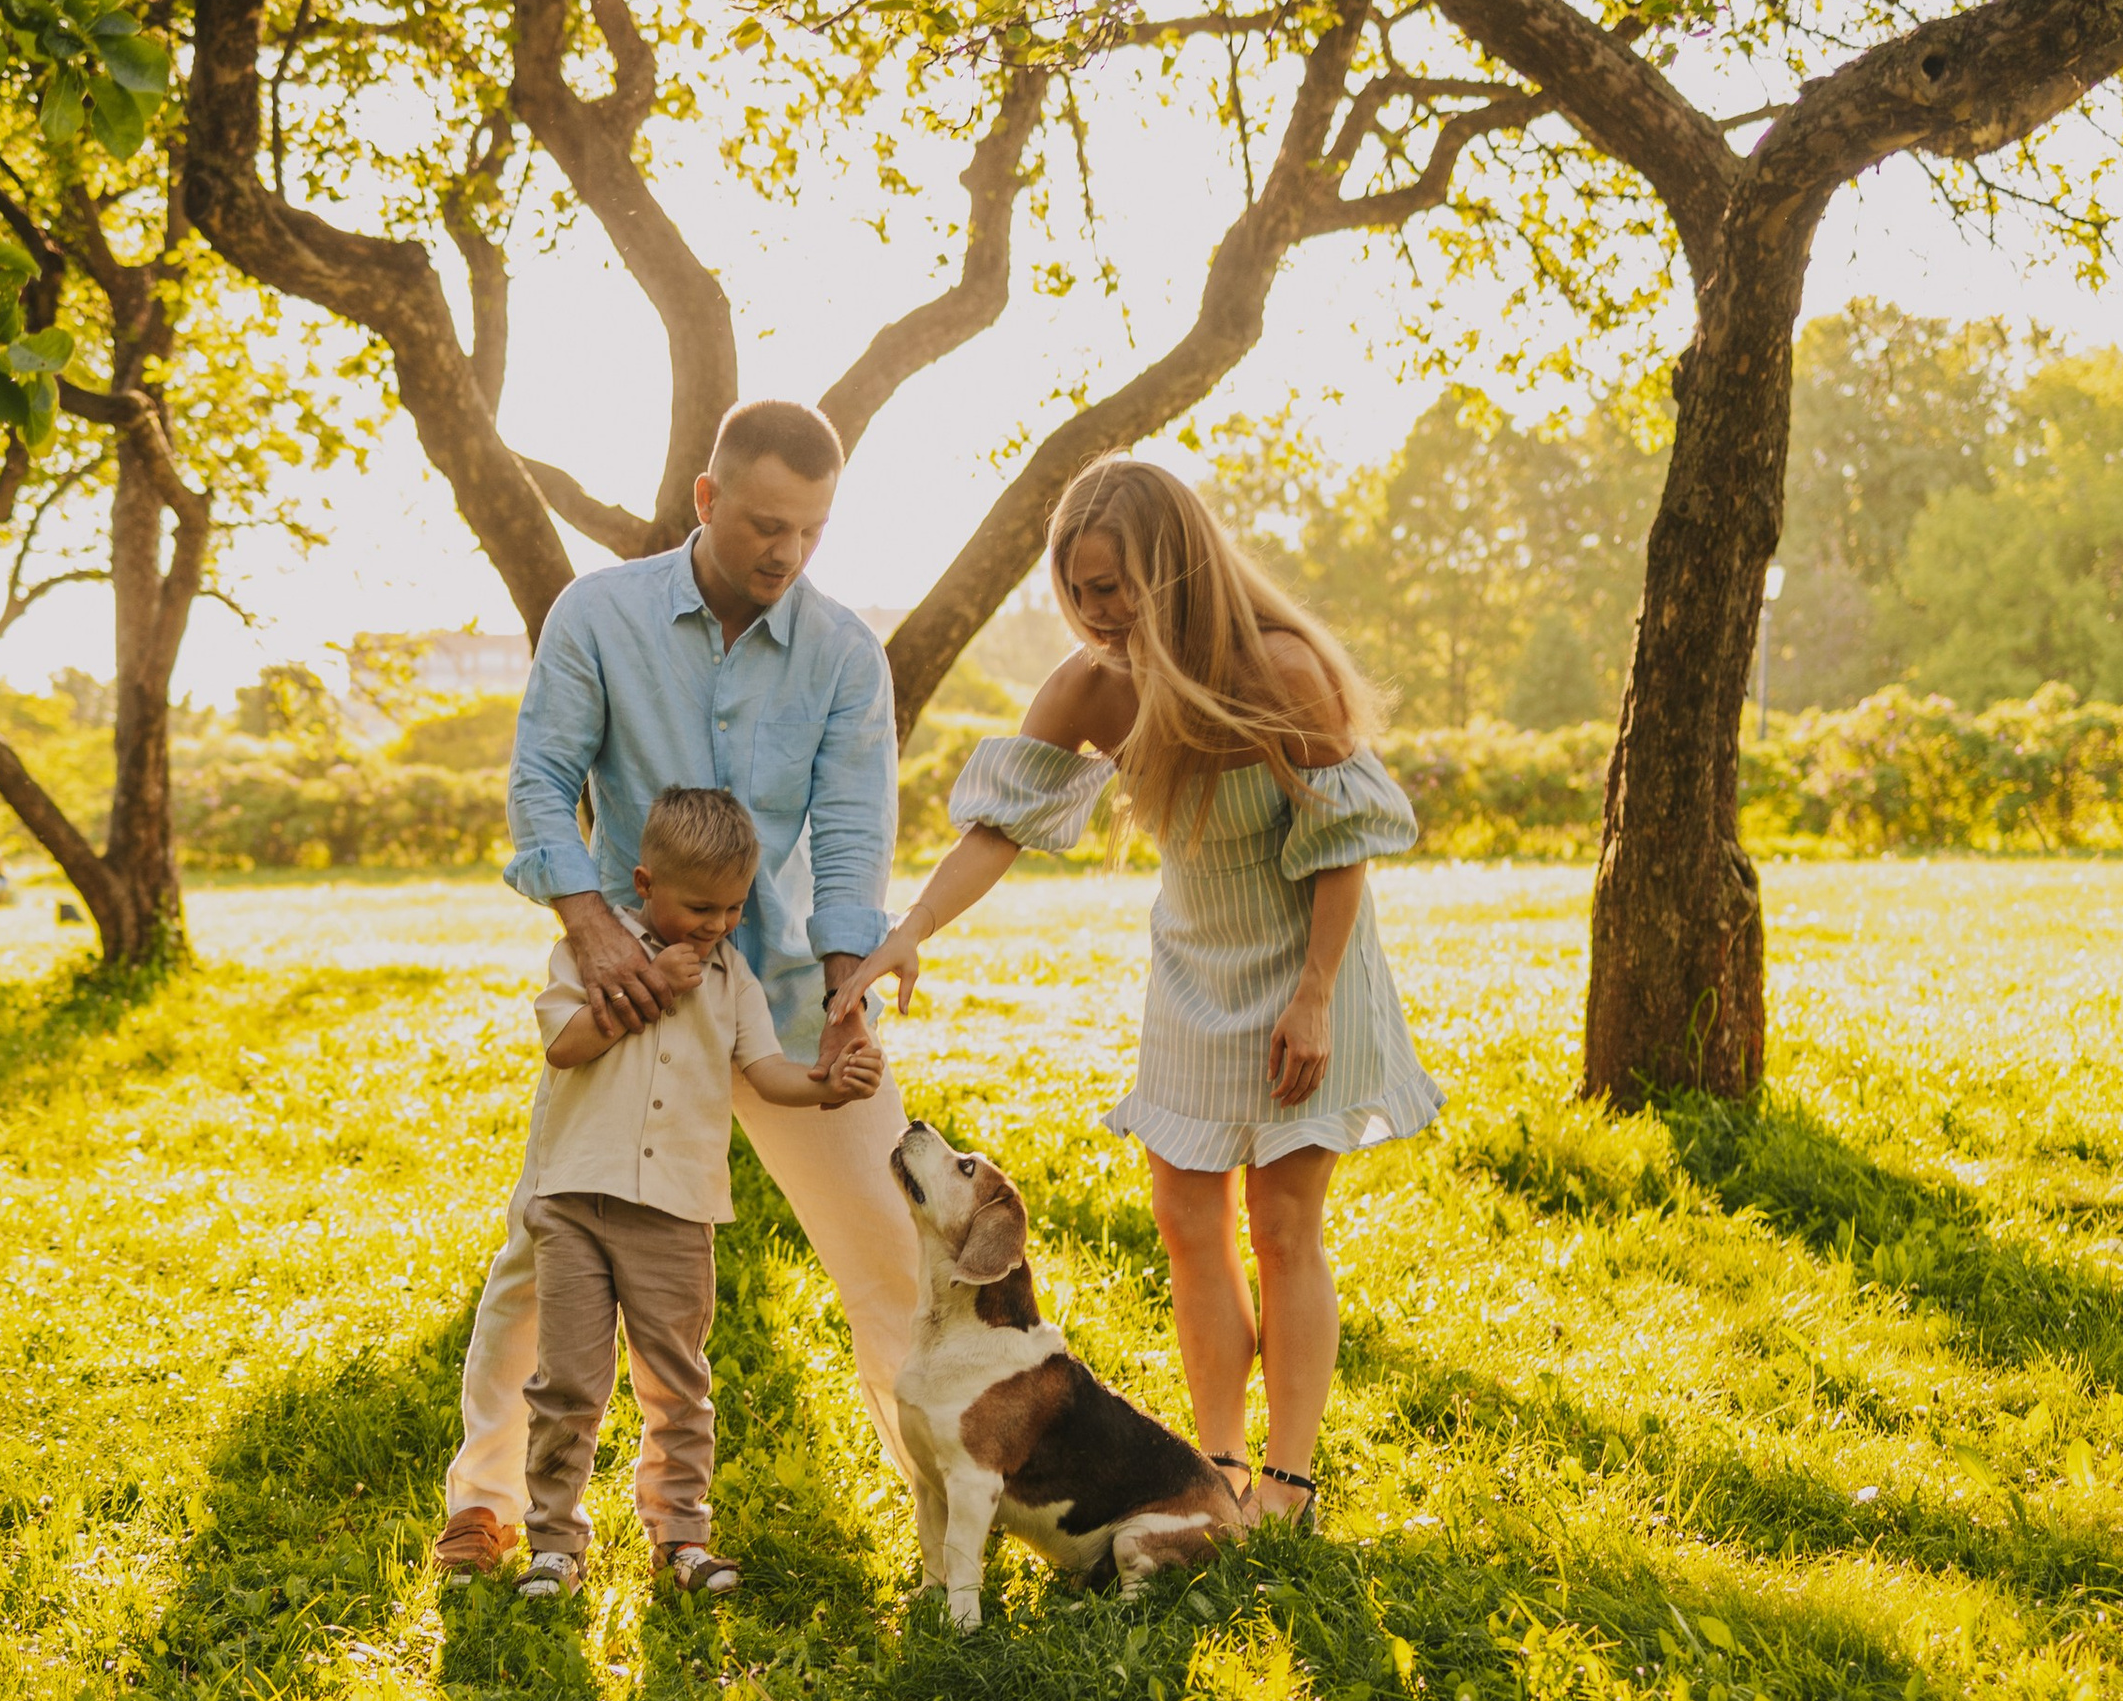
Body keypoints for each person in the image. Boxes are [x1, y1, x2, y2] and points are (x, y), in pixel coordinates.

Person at [829, 454, 1438, 1531]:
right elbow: (999, 828)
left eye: (1113, 586)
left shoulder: (1281, 671)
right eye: (1078, 590)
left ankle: (1287, 1485)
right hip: (1193, 968)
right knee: (1186, 1222)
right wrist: (907, 931)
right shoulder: (1091, 686)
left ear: (1175, 569)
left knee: (1282, 1225)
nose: (1096, 612)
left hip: (1310, 963)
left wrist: (1312, 997)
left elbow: (1345, 844)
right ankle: (1218, 1466)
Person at [436, 395, 919, 1579]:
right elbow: (541, 784)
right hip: (630, 999)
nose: (786, 553)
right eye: (764, 524)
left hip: (788, 996)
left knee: (897, 1255)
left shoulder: (843, 653)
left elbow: (853, 836)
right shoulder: (599, 615)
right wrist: (594, 932)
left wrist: (848, 988)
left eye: (809, 531)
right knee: (539, 1258)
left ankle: (950, 1502)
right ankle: (485, 1503)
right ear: (707, 499)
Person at [514, 786, 884, 1603]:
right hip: (576, 1200)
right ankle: (554, 1543)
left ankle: (680, 1535)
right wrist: (649, 981)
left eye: (734, 907)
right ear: (645, 884)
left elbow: (766, 1073)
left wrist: (828, 1085)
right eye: (700, 907)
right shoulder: (591, 954)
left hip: (678, 1212)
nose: (719, 924)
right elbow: (564, 1046)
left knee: (678, 1384)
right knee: (568, 1382)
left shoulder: (732, 977)